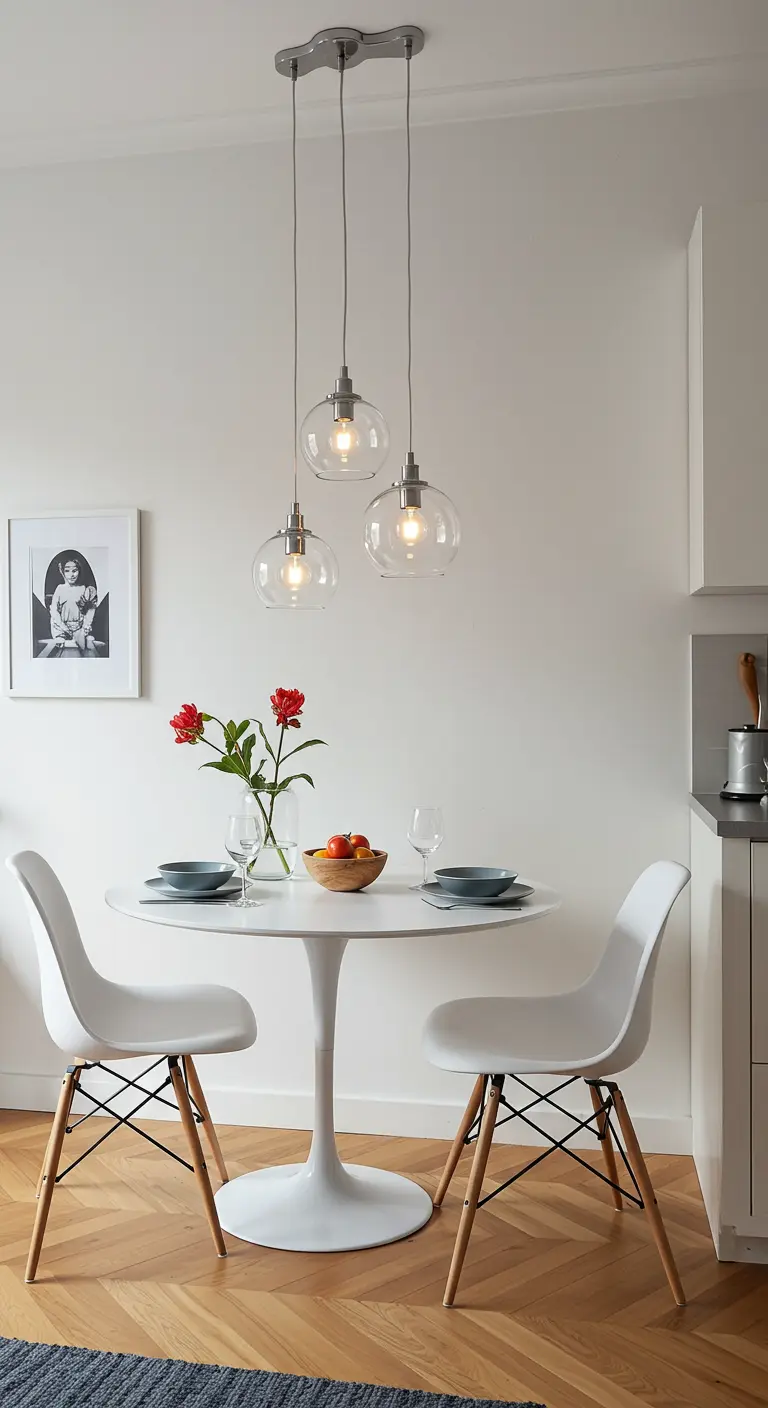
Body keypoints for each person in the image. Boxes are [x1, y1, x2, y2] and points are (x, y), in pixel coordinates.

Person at [49, 557, 98, 655]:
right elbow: (54, 610)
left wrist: (85, 627)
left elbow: (90, 610)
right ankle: (61, 637)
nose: (71, 575)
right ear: (62, 572)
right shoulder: (60, 588)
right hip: (62, 628)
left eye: (74, 571)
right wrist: (64, 628)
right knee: (60, 640)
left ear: (79, 571)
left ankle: (83, 636)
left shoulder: (84, 589)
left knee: (86, 646)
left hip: (79, 627)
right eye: (67, 571)